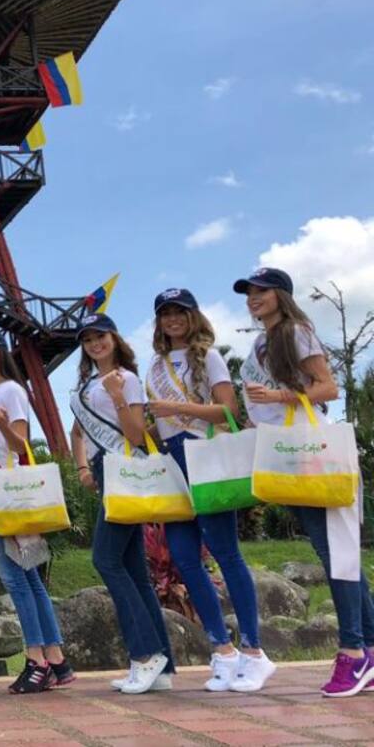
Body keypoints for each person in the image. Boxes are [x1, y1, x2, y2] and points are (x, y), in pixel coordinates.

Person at [234, 267, 374, 697]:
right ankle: (366, 647)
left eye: (261, 291)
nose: (253, 298)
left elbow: (328, 387)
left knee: (339, 553)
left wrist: (280, 397)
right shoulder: (260, 342)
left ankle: (353, 651)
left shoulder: (297, 332)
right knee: (332, 551)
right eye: (249, 293)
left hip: (314, 452)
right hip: (284, 455)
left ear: (281, 295)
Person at [146, 288, 274, 691]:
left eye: (179, 312)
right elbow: (159, 420)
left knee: (225, 552)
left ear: (193, 316)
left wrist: (177, 410)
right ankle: (222, 650)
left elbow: (228, 411)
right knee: (184, 558)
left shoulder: (209, 356)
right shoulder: (155, 366)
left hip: (205, 455)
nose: (172, 320)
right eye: (165, 313)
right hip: (173, 459)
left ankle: (254, 650)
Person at [70, 315, 174, 695]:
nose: (95, 344)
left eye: (101, 336)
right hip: (104, 470)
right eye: (88, 339)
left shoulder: (126, 379)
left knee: (106, 560)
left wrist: (116, 396)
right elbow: (78, 430)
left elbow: (135, 434)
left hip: (126, 468)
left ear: (115, 338)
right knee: (135, 571)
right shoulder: (83, 385)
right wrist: (82, 466)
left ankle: (145, 655)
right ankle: (161, 667)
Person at [0, 330, 74, 694]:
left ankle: (37, 659)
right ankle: (56, 659)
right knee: (27, 575)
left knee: (13, 575)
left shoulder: (12, 389)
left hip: (8, 487)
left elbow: (20, 443)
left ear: (2, 352)